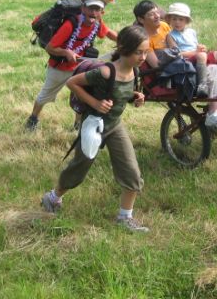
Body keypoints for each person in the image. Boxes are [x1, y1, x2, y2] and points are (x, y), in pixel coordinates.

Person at [40, 25, 149, 232]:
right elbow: (72, 83)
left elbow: (122, 93)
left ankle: (125, 218)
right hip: (93, 125)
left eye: (146, 52)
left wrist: (136, 96)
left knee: (132, 172)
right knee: (79, 169)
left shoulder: (134, 70)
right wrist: (95, 103)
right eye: (139, 52)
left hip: (115, 126)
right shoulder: (106, 71)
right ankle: (53, 197)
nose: (143, 57)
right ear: (124, 48)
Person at [25, 0, 118, 131]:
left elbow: (107, 33)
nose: (93, 12)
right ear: (83, 9)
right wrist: (66, 53)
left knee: (82, 95)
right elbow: (50, 47)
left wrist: (125, 41)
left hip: (80, 67)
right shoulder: (71, 24)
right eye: (91, 8)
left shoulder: (97, 23)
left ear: (102, 12)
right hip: (59, 67)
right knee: (46, 95)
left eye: (97, 9)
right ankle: (33, 119)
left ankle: (78, 125)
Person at [164, 2, 217, 127]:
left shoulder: (191, 32)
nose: (177, 22)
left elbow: (196, 46)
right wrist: (196, 52)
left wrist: (201, 47)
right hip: (186, 62)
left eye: (181, 19)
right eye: (174, 19)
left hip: (199, 58)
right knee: (203, 56)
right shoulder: (170, 35)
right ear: (169, 20)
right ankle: (203, 84)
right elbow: (176, 54)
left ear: (186, 21)